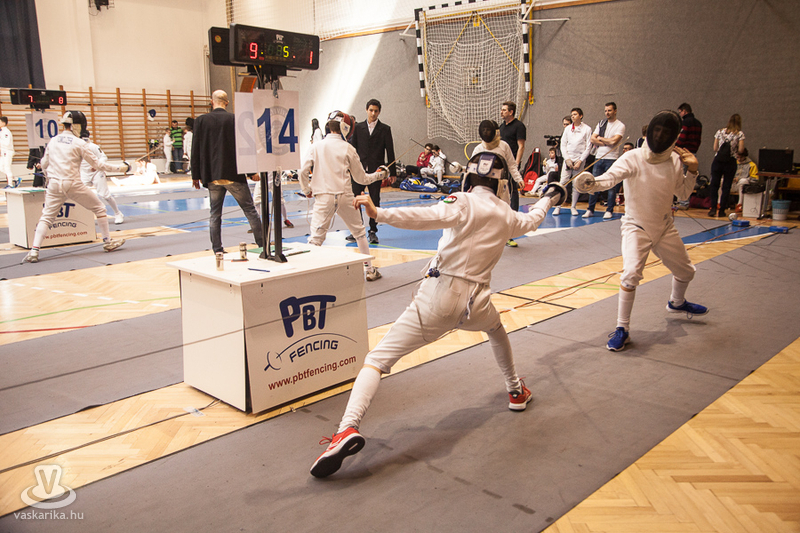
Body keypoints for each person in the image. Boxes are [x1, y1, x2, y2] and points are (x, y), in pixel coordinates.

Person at [308, 151, 567, 478]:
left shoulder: (462, 201)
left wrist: (379, 213)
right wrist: (550, 196)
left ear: (470, 177)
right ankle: (515, 390)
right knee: (496, 329)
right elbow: (535, 219)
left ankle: (347, 428)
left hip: (439, 298)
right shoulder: (507, 214)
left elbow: (425, 216)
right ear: (500, 184)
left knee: (377, 360)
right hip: (477, 303)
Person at [573, 110, 708, 352]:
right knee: (630, 274)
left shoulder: (674, 160)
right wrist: (591, 183)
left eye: (666, 132)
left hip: (664, 227)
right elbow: (610, 178)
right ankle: (622, 328)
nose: (660, 136)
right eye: (658, 130)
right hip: (636, 226)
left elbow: (683, 194)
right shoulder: (633, 157)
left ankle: (677, 303)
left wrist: (693, 170)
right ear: (651, 131)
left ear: (674, 137)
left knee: (687, 272)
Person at [23, 111, 129, 263]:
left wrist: (49, 175)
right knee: (100, 209)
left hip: (54, 185)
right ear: (77, 126)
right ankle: (107, 242)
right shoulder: (79, 143)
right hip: (73, 184)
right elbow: (98, 164)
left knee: (46, 217)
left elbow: (44, 164)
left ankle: (34, 251)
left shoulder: (53, 140)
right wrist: (121, 168)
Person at [299, 111, 387, 282]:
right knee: (359, 233)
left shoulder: (316, 146)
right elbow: (362, 179)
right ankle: (369, 270)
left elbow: (303, 171)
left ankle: (307, 277)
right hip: (345, 196)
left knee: (316, 239)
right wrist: (380, 175)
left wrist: (306, 189)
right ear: (347, 128)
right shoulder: (348, 148)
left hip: (323, 196)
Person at [191, 90, 264, 254]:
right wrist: (251, 172)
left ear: (212, 102)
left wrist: (195, 175)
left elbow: (195, 149)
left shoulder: (201, 121)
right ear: (227, 102)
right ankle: (262, 245)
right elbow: (245, 147)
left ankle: (217, 249)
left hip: (212, 175)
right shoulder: (235, 119)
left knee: (215, 214)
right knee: (250, 211)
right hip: (233, 173)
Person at [349, 98, 396, 245]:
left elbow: (390, 151)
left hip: (376, 171)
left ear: (379, 112)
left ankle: (373, 231)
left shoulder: (385, 129)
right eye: (371, 110)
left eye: (376, 111)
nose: (373, 113)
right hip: (359, 170)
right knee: (356, 200)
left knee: (374, 200)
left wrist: (393, 172)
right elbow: (352, 149)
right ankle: (358, 230)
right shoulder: (358, 127)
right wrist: (349, 168)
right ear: (366, 110)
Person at [585, 102, 627, 220]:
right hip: (599, 157)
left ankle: (609, 210)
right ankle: (590, 209)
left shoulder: (620, 125)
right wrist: (606, 141)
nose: (607, 113)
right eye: (605, 111)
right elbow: (593, 139)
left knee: (611, 185)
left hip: (611, 158)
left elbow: (614, 142)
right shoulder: (601, 123)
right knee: (593, 183)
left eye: (609, 110)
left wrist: (601, 139)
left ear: (615, 111)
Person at [79, 130, 125, 224]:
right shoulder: (77, 148)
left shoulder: (93, 146)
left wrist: (96, 165)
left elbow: (103, 157)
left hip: (97, 172)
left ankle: (118, 213)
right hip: (84, 173)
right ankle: (86, 217)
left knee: (105, 195)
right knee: (83, 195)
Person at [553, 107, 592, 216]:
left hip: (579, 160)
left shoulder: (587, 129)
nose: (573, 116)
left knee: (576, 184)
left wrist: (580, 161)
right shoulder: (568, 129)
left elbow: (588, 147)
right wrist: (567, 159)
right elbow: (563, 145)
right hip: (568, 159)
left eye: (575, 114)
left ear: (581, 116)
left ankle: (573, 207)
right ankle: (558, 206)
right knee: (563, 183)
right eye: (572, 115)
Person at [707, 114, 745, 218]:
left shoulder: (720, 132)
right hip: (730, 161)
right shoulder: (739, 134)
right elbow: (741, 150)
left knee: (714, 185)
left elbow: (715, 148)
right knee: (726, 186)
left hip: (718, 160)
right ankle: (722, 210)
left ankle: (713, 208)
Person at [499, 101, 526, 243]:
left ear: (511, 112)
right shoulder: (501, 127)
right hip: (500, 164)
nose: (501, 112)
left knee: (512, 190)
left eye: (504, 110)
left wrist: (516, 162)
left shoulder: (519, 126)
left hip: (512, 163)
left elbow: (521, 146)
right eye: (501, 110)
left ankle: (513, 216)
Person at [733, 148, 759, 212]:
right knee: (721, 181)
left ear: (745, 156)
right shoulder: (733, 163)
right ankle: (719, 203)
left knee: (743, 181)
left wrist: (739, 179)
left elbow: (755, 179)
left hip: (744, 186)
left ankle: (740, 204)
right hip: (732, 185)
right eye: (737, 157)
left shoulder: (752, 165)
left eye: (741, 157)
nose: (739, 159)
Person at [1, 116, 19, 188]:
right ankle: (15, 179)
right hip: (3, 152)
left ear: (3, 123)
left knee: (7, 168)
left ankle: (10, 184)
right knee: (1, 167)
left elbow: (7, 143)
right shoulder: (1, 131)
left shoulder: (6, 132)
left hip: (7, 152)